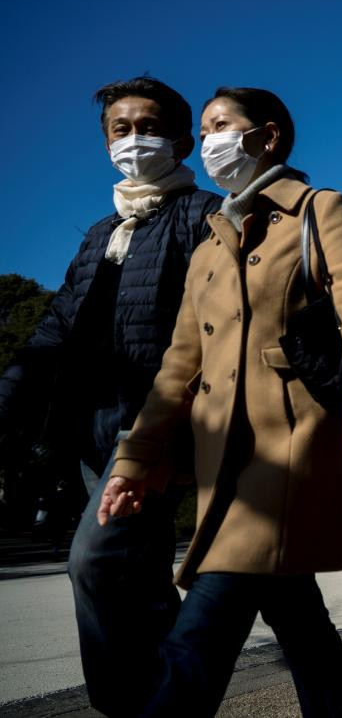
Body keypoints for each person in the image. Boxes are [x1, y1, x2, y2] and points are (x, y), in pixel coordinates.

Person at [98, 86, 342, 717]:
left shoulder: (321, 209)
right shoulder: (208, 244)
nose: (208, 140)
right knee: (297, 615)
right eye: (205, 128)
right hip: (219, 453)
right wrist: (135, 461)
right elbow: (177, 368)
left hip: (289, 442)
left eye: (220, 125)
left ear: (265, 136)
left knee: (204, 624)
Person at [0, 76, 221, 716]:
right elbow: (54, 328)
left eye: (147, 127)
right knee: (138, 580)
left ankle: (130, 706)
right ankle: (169, 699)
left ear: (181, 140)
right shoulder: (100, 234)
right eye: (119, 130)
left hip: (154, 425)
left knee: (94, 563)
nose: (132, 141)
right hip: (89, 428)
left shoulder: (202, 214)